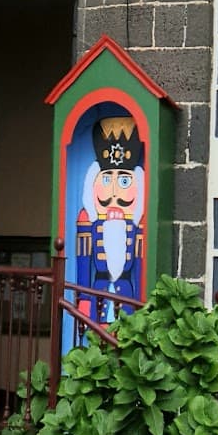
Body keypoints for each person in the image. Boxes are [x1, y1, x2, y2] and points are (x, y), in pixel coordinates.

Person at [73, 113, 145, 322]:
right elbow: (84, 262)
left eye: (123, 181)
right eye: (106, 179)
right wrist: (84, 299)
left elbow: (140, 267)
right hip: (99, 296)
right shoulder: (88, 222)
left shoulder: (137, 225)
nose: (114, 192)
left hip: (127, 296)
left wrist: (141, 303)